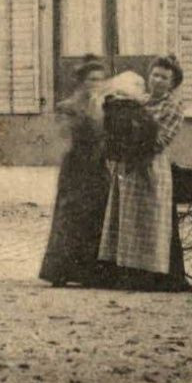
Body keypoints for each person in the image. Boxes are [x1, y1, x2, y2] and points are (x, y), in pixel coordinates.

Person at [97, 58, 191, 292]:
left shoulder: (173, 107)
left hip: (150, 166)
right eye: (155, 75)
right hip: (128, 166)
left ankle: (149, 273)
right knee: (128, 220)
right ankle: (127, 271)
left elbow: (160, 141)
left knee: (149, 223)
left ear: (172, 84)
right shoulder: (140, 100)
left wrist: (132, 139)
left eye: (164, 77)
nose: (157, 80)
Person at [38, 58, 117, 287]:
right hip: (76, 167)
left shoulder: (106, 106)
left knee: (96, 216)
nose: (97, 84)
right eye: (92, 79)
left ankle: (90, 272)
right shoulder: (68, 107)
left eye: (101, 80)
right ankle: (60, 271)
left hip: (98, 166)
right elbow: (64, 137)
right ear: (81, 82)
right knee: (70, 217)